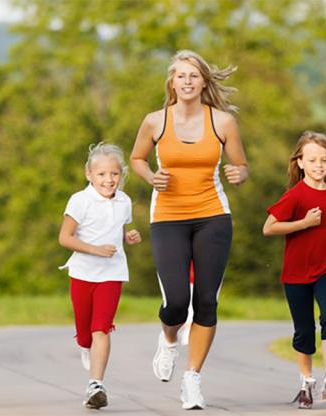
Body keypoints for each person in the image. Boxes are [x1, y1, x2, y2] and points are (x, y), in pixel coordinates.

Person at [130, 50, 248, 410]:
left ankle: (192, 379)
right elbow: (137, 158)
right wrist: (152, 176)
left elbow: (241, 165)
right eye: (181, 75)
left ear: (203, 82)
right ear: (172, 82)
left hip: (213, 215)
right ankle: (168, 341)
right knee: (177, 302)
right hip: (167, 216)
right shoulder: (155, 121)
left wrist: (238, 174)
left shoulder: (223, 122)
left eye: (194, 75)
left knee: (207, 302)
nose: (187, 81)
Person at [262, 131, 326, 409]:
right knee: (303, 331)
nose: (319, 165)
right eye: (312, 160)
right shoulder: (295, 195)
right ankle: (306, 382)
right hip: (297, 272)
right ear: (299, 162)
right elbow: (269, 227)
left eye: (324, 160)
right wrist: (303, 223)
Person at [58, 142, 142, 409]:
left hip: (112, 272)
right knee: (85, 334)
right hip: (83, 273)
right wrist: (94, 250)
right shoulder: (80, 200)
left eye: (114, 174)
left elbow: (120, 231)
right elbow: (64, 238)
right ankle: (85, 347)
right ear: (89, 175)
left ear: (121, 175)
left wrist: (129, 237)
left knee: (101, 329)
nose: (109, 180)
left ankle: (96, 385)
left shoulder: (124, 201)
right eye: (102, 174)